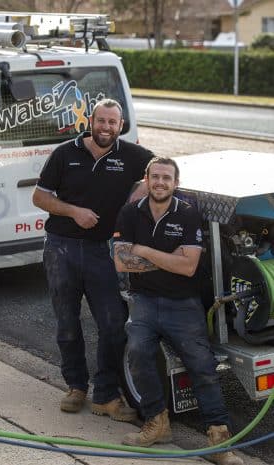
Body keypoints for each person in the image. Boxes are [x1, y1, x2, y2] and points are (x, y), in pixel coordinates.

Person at [113, 156, 243, 465]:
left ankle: (218, 441)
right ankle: (158, 424)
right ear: (146, 180)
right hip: (144, 301)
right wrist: (168, 258)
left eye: (166, 178)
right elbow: (120, 261)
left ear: (176, 183)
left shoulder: (187, 214)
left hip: (183, 305)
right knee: (138, 354)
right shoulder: (130, 212)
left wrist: (142, 251)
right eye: (154, 177)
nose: (160, 182)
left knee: (203, 367)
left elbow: (188, 267)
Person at [32, 98, 153, 422]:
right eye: (101, 121)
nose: (106, 128)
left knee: (114, 324)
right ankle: (75, 387)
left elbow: (161, 169)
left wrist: (136, 194)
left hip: (104, 252)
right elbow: (39, 196)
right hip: (62, 248)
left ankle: (106, 395)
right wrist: (74, 211)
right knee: (68, 323)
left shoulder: (129, 155)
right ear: (91, 121)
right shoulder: (65, 153)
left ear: (120, 125)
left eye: (113, 123)